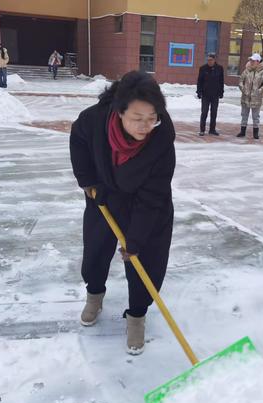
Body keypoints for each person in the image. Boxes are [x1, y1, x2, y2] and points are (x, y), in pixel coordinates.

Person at [69, 71, 176, 355]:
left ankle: (137, 316)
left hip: (148, 204)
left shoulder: (161, 138)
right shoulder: (94, 120)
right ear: (119, 112)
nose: (145, 126)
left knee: (146, 260)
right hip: (103, 196)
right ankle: (95, 294)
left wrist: (136, 239)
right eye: (137, 118)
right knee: (95, 249)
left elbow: (153, 195)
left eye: (152, 117)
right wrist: (89, 181)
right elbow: (78, 141)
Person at [236, 53, 263, 140]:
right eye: (250, 60)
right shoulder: (246, 70)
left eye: (253, 61)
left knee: (256, 117)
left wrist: (259, 91)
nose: (251, 62)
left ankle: (255, 133)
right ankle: (242, 131)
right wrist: (243, 89)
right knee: (244, 115)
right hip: (245, 97)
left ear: (258, 62)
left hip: (256, 98)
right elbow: (240, 81)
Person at [196, 53, 224, 136]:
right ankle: (202, 130)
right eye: (208, 60)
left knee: (214, 112)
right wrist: (199, 92)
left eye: (211, 60)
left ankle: (212, 129)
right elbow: (199, 81)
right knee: (204, 112)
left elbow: (221, 81)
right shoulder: (203, 68)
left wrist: (221, 92)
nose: (209, 61)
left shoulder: (219, 68)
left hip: (215, 95)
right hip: (205, 94)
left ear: (214, 60)